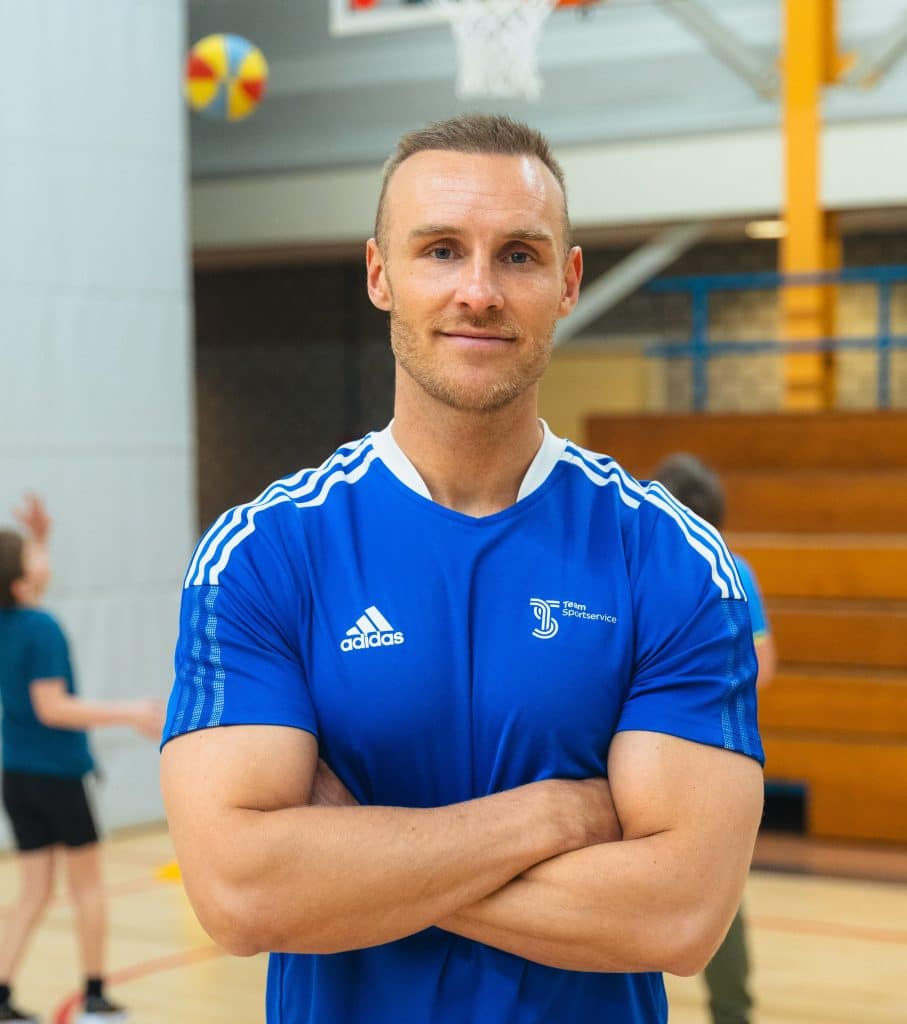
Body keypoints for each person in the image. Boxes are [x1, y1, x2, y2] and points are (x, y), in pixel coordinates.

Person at [160, 114, 765, 1024]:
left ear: (567, 282)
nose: (477, 291)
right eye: (440, 250)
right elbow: (242, 895)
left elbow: (677, 918)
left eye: (518, 255)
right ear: (380, 275)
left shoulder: (672, 560)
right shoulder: (260, 555)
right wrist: (551, 818)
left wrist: (348, 857)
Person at [0, 495, 164, 1024]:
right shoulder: (41, 628)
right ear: (20, 583)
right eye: (32, 559)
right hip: (58, 775)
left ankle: (1, 996)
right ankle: (95, 997)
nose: (42, 564)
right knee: (87, 885)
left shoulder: (9, 621)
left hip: (16, 773)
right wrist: (131, 712)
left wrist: (39, 538)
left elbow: (33, 576)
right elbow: (52, 708)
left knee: (33, 891)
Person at [653, 453, 777, 1024]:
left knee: (711, 892)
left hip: (690, 760)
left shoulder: (717, 569)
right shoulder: (725, 566)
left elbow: (762, 663)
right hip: (688, 759)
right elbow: (765, 665)